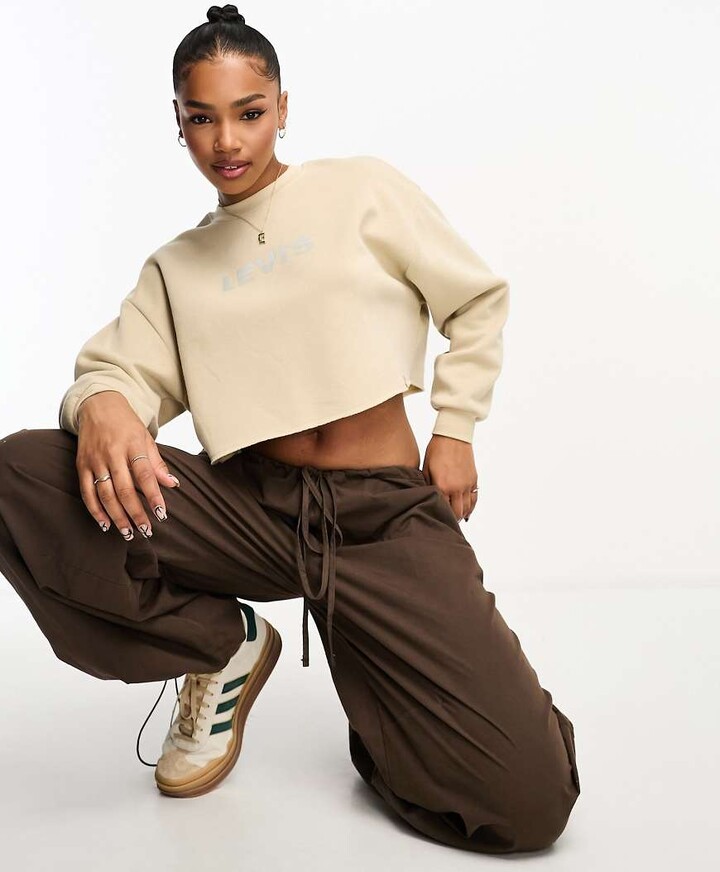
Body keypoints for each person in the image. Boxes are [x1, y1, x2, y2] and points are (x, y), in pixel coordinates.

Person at [0, 3, 580, 854]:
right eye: (202, 118)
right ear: (178, 122)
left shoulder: (360, 190)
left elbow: (476, 299)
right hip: (252, 512)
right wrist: (102, 405)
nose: (227, 141)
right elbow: (112, 371)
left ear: (281, 107)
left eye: (249, 112)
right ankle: (221, 645)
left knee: (528, 806)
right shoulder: (176, 268)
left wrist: (454, 427)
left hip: (384, 518)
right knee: (22, 474)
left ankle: (397, 709)